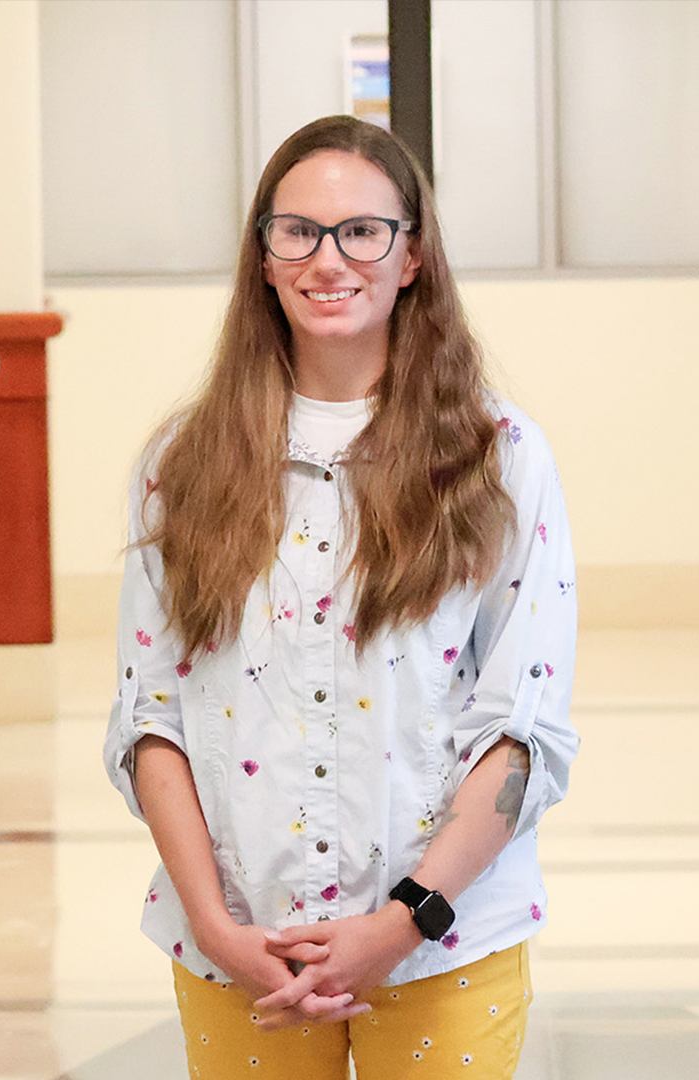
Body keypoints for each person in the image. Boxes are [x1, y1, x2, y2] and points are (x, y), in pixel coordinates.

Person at [103, 114, 579, 1080]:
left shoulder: (499, 458)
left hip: (446, 944)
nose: (329, 259)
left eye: (363, 231)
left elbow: (522, 729)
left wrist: (404, 921)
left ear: (412, 256)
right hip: (243, 952)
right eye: (299, 232)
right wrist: (217, 928)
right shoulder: (182, 464)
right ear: (264, 256)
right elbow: (153, 721)